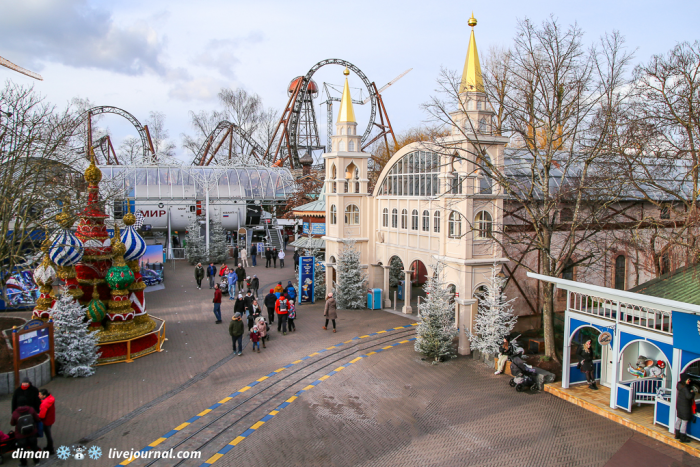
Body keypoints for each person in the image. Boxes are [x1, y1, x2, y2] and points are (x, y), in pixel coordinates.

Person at [11, 396, 40, 466]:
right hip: (32, 432)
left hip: (20, 435)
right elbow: (37, 419)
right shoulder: (31, 409)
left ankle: (24, 463)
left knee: (22, 450)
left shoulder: (15, 413)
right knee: (34, 447)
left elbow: (12, 423)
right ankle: (37, 461)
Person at [675, 374, 696, 442]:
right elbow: (689, 396)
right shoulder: (685, 388)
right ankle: (682, 437)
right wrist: (692, 393)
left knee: (679, 420)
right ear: (685, 380)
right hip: (685, 407)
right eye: (688, 380)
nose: (689, 381)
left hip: (679, 406)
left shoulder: (679, 385)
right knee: (684, 422)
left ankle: (677, 434)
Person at [38, 388, 55, 455]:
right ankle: (49, 447)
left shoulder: (44, 404)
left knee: (48, 435)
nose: (38, 395)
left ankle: (51, 449)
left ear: (44, 395)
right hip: (51, 419)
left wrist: (37, 415)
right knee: (48, 434)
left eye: (39, 394)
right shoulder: (51, 399)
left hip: (46, 421)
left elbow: (42, 416)